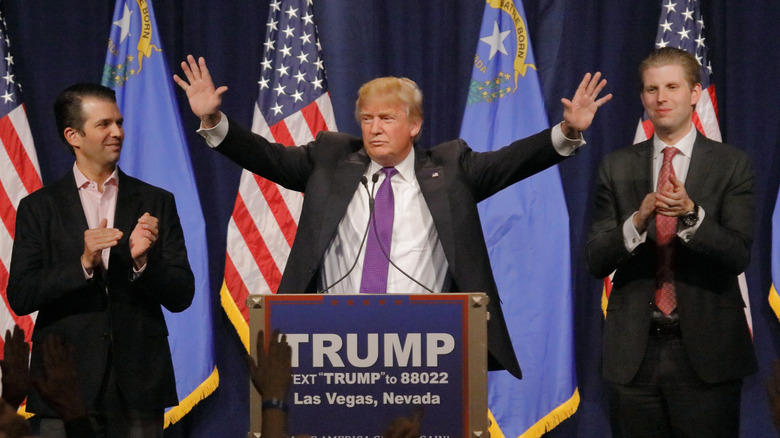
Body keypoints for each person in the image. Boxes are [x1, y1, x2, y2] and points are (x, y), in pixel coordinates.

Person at [174, 55, 611, 378]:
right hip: (334, 338)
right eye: (367, 119)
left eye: (386, 118)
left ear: (414, 125)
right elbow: (265, 156)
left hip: (426, 340)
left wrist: (568, 131)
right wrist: (213, 119)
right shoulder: (329, 160)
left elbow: (516, 159)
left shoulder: (452, 168)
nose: (374, 128)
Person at [7, 83, 195, 438]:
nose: (117, 132)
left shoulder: (156, 201)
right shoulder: (39, 208)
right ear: (73, 136)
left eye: (119, 122)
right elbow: (21, 294)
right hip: (63, 385)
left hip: (139, 386)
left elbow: (182, 294)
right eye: (104, 124)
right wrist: (83, 263)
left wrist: (143, 263)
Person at [586, 47, 756, 437]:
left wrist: (692, 214)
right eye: (652, 89)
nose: (661, 98)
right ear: (643, 97)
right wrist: (637, 220)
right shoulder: (617, 165)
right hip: (634, 353)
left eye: (672, 87)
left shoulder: (731, 163)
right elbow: (596, 259)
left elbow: (738, 254)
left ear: (695, 93)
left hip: (708, 355)